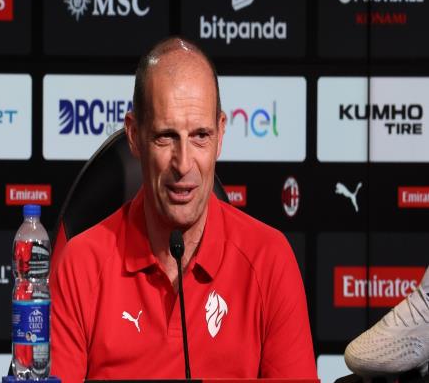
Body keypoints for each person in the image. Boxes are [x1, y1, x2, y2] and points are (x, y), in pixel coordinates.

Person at [50, 37, 317, 383]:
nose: (184, 163)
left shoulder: (270, 260)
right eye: (166, 136)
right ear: (134, 135)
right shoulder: (80, 266)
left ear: (221, 134)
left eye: (200, 135)